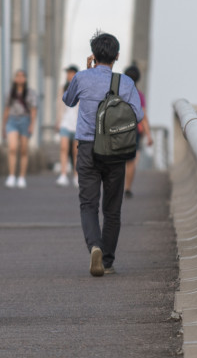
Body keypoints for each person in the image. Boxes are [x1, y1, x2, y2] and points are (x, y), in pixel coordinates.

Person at [63, 32, 144, 277]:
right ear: (117, 56)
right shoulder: (125, 83)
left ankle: (94, 246)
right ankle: (107, 262)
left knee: (88, 204)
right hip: (115, 149)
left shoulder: (81, 77)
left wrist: (86, 72)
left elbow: (68, 100)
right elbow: (138, 115)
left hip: (87, 148)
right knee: (112, 208)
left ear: (93, 55)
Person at [2, 69, 38, 188]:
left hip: (25, 120)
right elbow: (6, 109)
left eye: (22, 76)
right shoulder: (10, 92)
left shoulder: (30, 93)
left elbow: (33, 110)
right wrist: (3, 126)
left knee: (23, 149)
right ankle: (11, 175)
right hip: (12, 120)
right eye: (18, 76)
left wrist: (32, 125)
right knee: (12, 148)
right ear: (15, 78)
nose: (20, 78)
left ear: (25, 78)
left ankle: (22, 177)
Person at [123, 65, 154, 198]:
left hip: (117, 129)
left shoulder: (118, 92)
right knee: (131, 161)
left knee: (117, 160)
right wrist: (149, 135)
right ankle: (127, 188)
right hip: (133, 130)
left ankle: (116, 187)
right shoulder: (139, 95)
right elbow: (143, 117)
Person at [56, 65, 79, 187]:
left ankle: (76, 175)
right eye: (68, 73)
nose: (68, 75)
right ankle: (63, 174)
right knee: (63, 148)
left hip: (77, 123)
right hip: (65, 122)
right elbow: (59, 105)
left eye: (71, 73)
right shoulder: (63, 88)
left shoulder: (80, 87)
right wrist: (58, 121)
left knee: (76, 151)